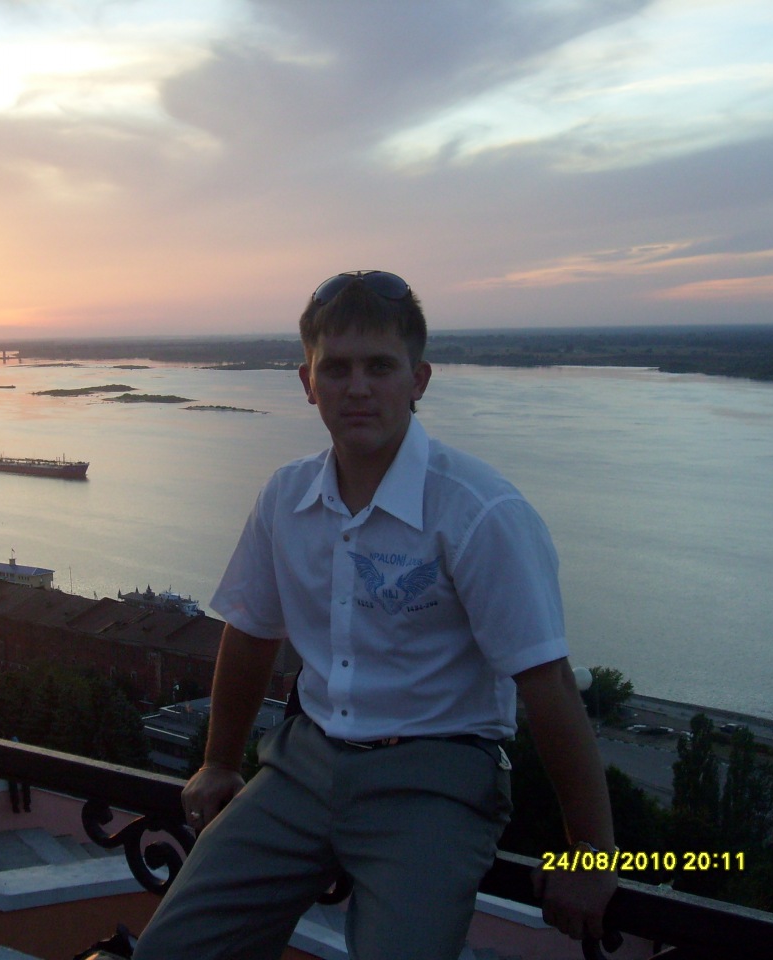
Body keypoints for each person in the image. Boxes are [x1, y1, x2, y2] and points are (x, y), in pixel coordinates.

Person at [132, 271, 616, 960]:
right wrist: (217, 762)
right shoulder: (285, 497)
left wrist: (591, 854)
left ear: (419, 380)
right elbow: (251, 633)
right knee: (173, 950)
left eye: (380, 367)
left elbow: (548, 684)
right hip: (303, 764)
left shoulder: (479, 512)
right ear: (308, 383)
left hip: (435, 779)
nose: (357, 387)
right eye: (337, 369)